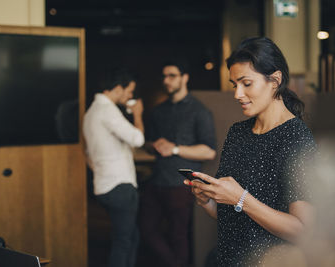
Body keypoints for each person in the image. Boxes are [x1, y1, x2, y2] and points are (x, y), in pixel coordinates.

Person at [184, 37, 317, 266]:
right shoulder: (237, 133)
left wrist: (241, 198)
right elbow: (232, 217)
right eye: (235, 84)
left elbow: (303, 231)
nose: (237, 94)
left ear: (275, 80)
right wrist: (208, 200)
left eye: (246, 83)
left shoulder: (297, 138)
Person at [139, 59, 217, 267]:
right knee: (145, 231)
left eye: (172, 75)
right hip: (156, 180)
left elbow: (209, 151)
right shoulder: (158, 111)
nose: (166, 80)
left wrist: (174, 148)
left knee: (178, 236)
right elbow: (147, 144)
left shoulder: (199, 111)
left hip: (182, 184)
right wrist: (153, 145)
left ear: (185, 78)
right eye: (164, 76)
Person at [83, 70, 144, 267]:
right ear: (118, 89)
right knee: (123, 243)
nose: (130, 96)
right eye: (129, 91)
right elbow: (137, 139)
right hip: (120, 186)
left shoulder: (91, 112)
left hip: (103, 185)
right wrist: (137, 114)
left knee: (130, 238)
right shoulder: (107, 111)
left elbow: (88, 153)